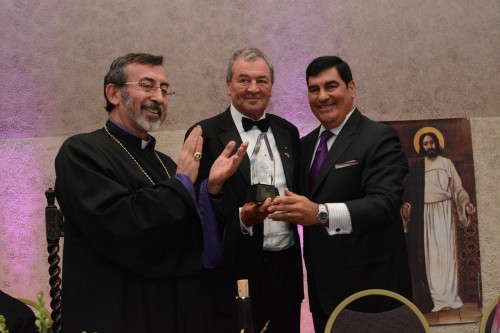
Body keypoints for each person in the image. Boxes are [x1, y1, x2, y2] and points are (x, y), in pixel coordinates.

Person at [54, 53, 247, 332]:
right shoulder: (80, 153)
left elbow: (191, 237)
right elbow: (123, 224)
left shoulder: (165, 163)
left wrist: (211, 190)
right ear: (114, 93)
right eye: (147, 85)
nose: (158, 97)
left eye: (165, 89)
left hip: (173, 310)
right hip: (118, 309)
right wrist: (182, 181)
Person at [268, 55, 412, 332]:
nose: (322, 96)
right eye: (314, 89)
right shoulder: (305, 145)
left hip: (372, 293)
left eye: (331, 86)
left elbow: (383, 204)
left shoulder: (379, 137)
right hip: (323, 297)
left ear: (351, 88)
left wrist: (320, 213)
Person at [187, 48, 303, 333]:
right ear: (228, 85)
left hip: (286, 271)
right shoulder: (205, 133)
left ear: (271, 86)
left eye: (261, 81)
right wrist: (241, 219)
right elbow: (194, 206)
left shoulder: (289, 131)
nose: (253, 88)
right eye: (243, 80)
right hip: (233, 274)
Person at [401, 131, 476, 313]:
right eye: (425, 144)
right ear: (421, 146)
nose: (429, 146)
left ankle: (449, 298)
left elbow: (457, 189)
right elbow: (408, 195)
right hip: (424, 215)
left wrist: (465, 203)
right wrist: (406, 207)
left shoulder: (446, 163)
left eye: (431, 142)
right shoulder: (417, 167)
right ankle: (434, 299)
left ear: (437, 143)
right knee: (430, 256)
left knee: (446, 255)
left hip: (444, 212)